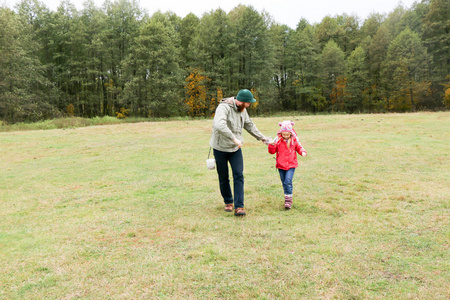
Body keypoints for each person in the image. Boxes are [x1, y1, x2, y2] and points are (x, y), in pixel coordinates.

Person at [210, 89, 270, 216]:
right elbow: (219, 125)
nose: (249, 105)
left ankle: (239, 207)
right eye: (248, 103)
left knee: (238, 175)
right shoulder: (223, 107)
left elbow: (249, 125)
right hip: (220, 147)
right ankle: (228, 201)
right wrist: (233, 138)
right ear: (242, 101)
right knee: (223, 176)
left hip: (235, 148)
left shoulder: (243, 110)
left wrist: (262, 138)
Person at [268, 120, 307, 209]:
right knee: (284, 182)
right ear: (281, 133)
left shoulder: (294, 140)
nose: (285, 136)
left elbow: (299, 147)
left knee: (288, 181)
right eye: (284, 134)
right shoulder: (278, 140)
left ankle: (288, 201)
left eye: (287, 134)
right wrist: (271, 145)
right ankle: (287, 197)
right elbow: (272, 152)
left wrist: (303, 152)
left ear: (290, 133)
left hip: (291, 165)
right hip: (281, 165)